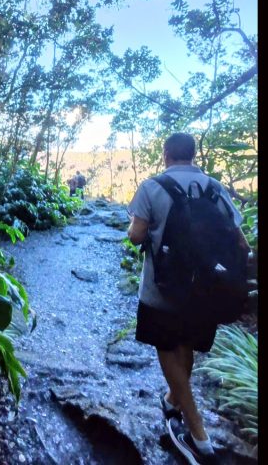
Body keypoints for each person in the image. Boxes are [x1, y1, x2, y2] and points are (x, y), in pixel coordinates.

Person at [127, 132, 249, 465]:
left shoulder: (153, 187)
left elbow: (137, 235)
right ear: (194, 155)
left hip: (161, 289)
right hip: (206, 289)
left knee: (167, 349)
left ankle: (198, 433)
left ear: (166, 154)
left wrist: (138, 228)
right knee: (186, 346)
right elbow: (240, 241)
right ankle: (171, 401)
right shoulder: (214, 188)